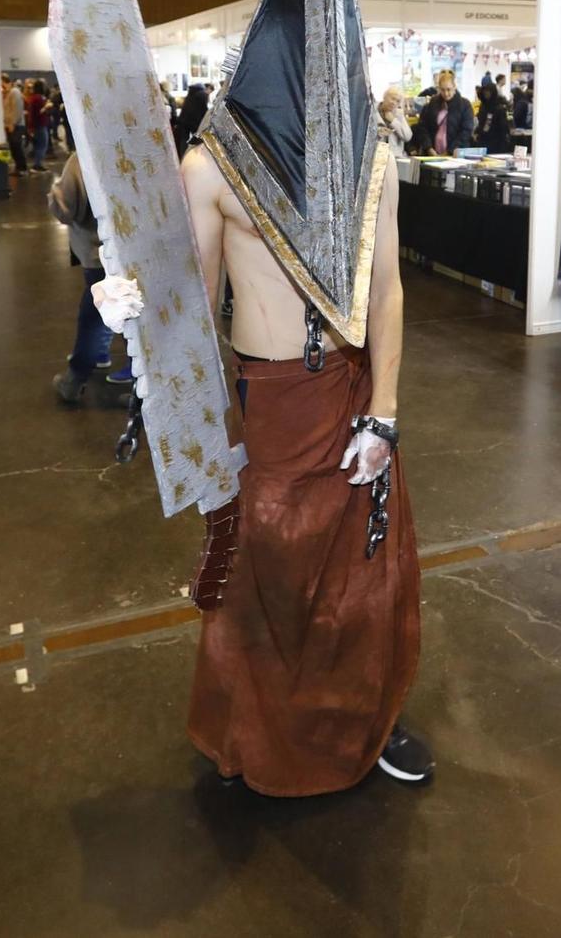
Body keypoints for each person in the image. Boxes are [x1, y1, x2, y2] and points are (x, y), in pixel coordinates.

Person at [163, 139, 427, 795]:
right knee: (266, 568)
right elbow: (193, 302)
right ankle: (251, 726)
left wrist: (384, 412)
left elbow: (386, 287)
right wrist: (137, 308)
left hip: (352, 388)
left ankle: (367, 717)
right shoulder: (212, 166)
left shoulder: (371, 158)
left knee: (364, 572)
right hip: (276, 400)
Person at [49, 152, 114, 403]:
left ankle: (74, 379)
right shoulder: (139, 146)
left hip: (98, 252)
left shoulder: (86, 155)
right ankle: (100, 354)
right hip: (132, 250)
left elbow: (65, 208)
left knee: (92, 316)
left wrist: (54, 193)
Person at [413, 70, 473, 156]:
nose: (446, 93)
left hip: (456, 154)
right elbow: (422, 127)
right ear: (439, 89)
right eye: (442, 90)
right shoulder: (432, 103)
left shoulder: (464, 105)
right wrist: (428, 147)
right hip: (432, 153)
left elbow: (466, 131)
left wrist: (450, 151)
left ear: (454, 87)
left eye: (449, 89)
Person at [475, 79, 512, 155]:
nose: (486, 94)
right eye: (485, 92)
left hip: (496, 143)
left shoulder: (499, 108)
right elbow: (481, 123)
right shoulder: (483, 106)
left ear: (493, 93)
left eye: (488, 92)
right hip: (483, 141)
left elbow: (503, 128)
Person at [174, 82, 209, 158]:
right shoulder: (202, 94)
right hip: (195, 121)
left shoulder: (190, 94)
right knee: (197, 141)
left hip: (184, 121)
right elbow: (203, 109)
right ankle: (193, 157)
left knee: (183, 140)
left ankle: (183, 157)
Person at [1, 75, 26, 177]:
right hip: (8, 125)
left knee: (16, 146)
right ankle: (18, 167)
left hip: (16, 125)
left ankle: (23, 168)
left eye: (2, 83)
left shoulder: (15, 92)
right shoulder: (5, 94)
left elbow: (17, 109)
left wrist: (13, 123)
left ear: (7, 82)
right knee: (12, 147)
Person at [24, 78, 50, 174]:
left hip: (35, 126)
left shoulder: (33, 98)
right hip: (40, 125)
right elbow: (39, 112)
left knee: (38, 146)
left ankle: (37, 164)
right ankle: (38, 165)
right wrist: (46, 106)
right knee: (42, 146)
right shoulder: (38, 98)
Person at [379, 89, 412, 157]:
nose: (394, 103)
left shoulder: (399, 114)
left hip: (395, 155)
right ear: (384, 97)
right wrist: (378, 131)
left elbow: (407, 136)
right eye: (392, 99)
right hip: (377, 155)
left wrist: (393, 121)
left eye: (398, 101)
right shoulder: (373, 112)